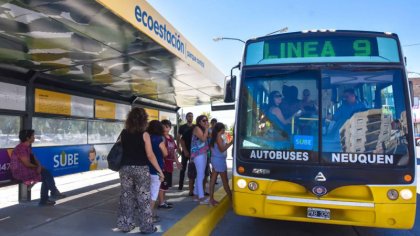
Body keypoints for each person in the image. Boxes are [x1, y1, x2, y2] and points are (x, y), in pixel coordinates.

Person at [116, 108, 163, 234]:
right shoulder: (145, 134)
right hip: (141, 169)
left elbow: (118, 148)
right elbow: (150, 155)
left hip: (125, 168)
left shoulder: (124, 133)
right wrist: (159, 170)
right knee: (143, 199)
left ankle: (126, 225)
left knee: (126, 197)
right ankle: (146, 227)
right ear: (144, 120)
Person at [10, 129, 66, 206]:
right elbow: (27, 164)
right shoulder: (21, 148)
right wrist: (38, 167)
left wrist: (39, 166)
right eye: (33, 136)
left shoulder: (27, 147)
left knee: (46, 174)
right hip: (20, 172)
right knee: (47, 175)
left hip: (27, 170)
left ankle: (50, 195)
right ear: (27, 138)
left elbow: (35, 159)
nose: (34, 137)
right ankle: (49, 196)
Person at [147, 120, 168, 221]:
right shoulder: (159, 139)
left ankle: (146, 213)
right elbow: (165, 153)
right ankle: (149, 216)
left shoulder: (146, 138)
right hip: (156, 169)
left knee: (146, 192)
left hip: (145, 168)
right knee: (153, 193)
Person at [158, 119, 182, 209]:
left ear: (170, 127)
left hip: (170, 164)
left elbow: (174, 152)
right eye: (163, 126)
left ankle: (163, 201)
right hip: (164, 165)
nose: (165, 128)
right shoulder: (161, 138)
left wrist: (177, 162)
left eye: (167, 126)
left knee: (166, 185)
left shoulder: (171, 138)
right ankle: (161, 203)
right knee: (162, 184)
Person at [209, 123, 233, 206]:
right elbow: (222, 149)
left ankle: (211, 199)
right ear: (221, 129)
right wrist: (231, 143)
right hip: (219, 160)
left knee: (213, 179)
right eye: (223, 129)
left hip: (216, 159)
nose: (224, 130)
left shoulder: (215, 136)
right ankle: (231, 199)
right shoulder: (218, 137)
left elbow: (222, 147)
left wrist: (227, 142)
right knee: (225, 181)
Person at [191, 115, 210, 204]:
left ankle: (195, 195)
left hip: (203, 154)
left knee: (201, 175)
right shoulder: (196, 128)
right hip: (198, 154)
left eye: (206, 120)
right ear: (199, 122)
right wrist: (206, 128)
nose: (206, 122)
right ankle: (201, 197)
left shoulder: (202, 129)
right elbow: (203, 138)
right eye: (204, 120)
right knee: (200, 175)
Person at [177, 112, 195, 195]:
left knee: (193, 170)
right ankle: (180, 185)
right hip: (185, 151)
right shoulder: (182, 127)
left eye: (191, 116)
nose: (190, 118)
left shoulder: (195, 127)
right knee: (183, 169)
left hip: (194, 151)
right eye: (189, 116)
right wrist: (178, 148)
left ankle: (192, 186)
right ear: (186, 118)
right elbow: (178, 137)